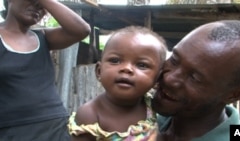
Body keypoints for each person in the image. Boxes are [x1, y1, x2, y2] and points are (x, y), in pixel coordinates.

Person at [0, 0, 90, 141]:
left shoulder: (43, 37)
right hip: (11, 130)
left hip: (54, 127)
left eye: (42, 5)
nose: (38, 7)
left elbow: (82, 30)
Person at [152, 20, 240, 141]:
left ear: (234, 95)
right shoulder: (142, 117)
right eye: (174, 60)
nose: (169, 79)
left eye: (195, 78)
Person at [68, 26, 167, 141]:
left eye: (142, 65)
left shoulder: (154, 107)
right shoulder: (90, 115)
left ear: (157, 79)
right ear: (99, 71)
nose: (126, 68)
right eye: (115, 61)